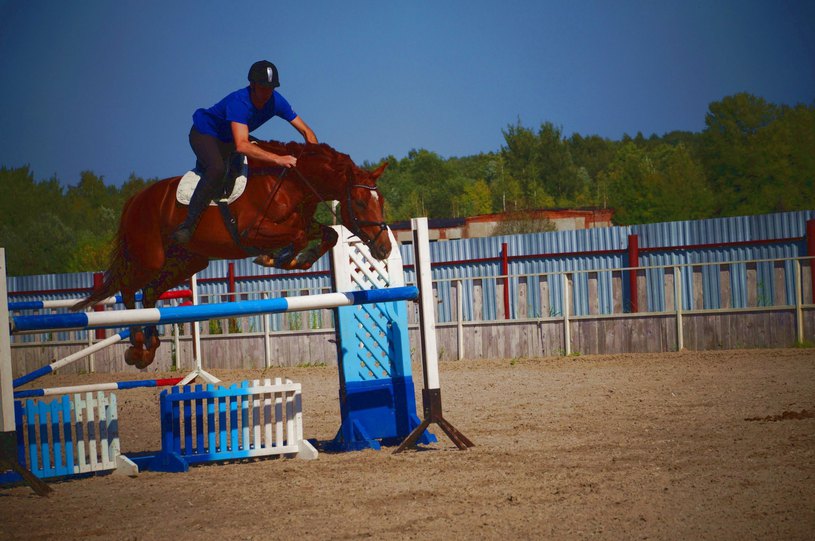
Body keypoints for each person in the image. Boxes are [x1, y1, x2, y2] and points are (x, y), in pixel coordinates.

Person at [173, 60, 318, 243]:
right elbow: (241, 145)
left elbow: (307, 131)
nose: (267, 93)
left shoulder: (276, 100)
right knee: (217, 168)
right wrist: (279, 159)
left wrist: (314, 157)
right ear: (252, 85)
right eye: (264, 88)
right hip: (205, 134)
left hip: (231, 138)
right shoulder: (239, 102)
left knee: (263, 150)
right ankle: (188, 225)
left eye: (271, 88)